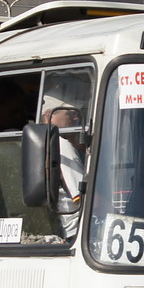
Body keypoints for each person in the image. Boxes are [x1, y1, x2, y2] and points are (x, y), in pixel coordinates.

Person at [41, 97, 87, 238]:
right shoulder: (60, 144)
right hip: (76, 228)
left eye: (77, 114)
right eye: (70, 113)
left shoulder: (44, 140)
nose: (75, 118)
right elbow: (84, 196)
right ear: (50, 115)